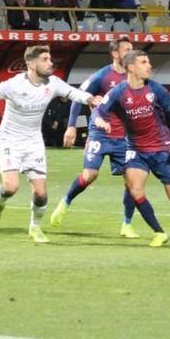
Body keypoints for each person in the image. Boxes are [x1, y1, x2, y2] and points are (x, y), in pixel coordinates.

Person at [0, 46, 100, 243]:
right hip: (10, 141)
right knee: (11, 187)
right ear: (31, 64)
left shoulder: (53, 83)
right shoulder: (14, 85)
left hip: (33, 142)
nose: (51, 63)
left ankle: (35, 227)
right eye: (45, 59)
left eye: (50, 59)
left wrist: (90, 99)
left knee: (41, 193)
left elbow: (74, 93)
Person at [93, 50, 170, 247]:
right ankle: (159, 232)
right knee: (135, 190)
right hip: (136, 150)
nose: (149, 66)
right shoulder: (118, 92)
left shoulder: (156, 90)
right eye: (144, 62)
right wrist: (100, 120)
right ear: (131, 68)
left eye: (149, 62)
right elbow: (98, 111)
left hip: (161, 150)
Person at [50, 38, 137, 236]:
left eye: (132, 49)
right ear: (115, 54)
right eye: (127, 50)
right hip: (100, 134)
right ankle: (65, 202)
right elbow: (78, 97)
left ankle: (127, 224)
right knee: (90, 175)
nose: (132, 53)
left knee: (132, 181)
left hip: (124, 138)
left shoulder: (134, 77)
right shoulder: (102, 76)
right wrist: (71, 127)